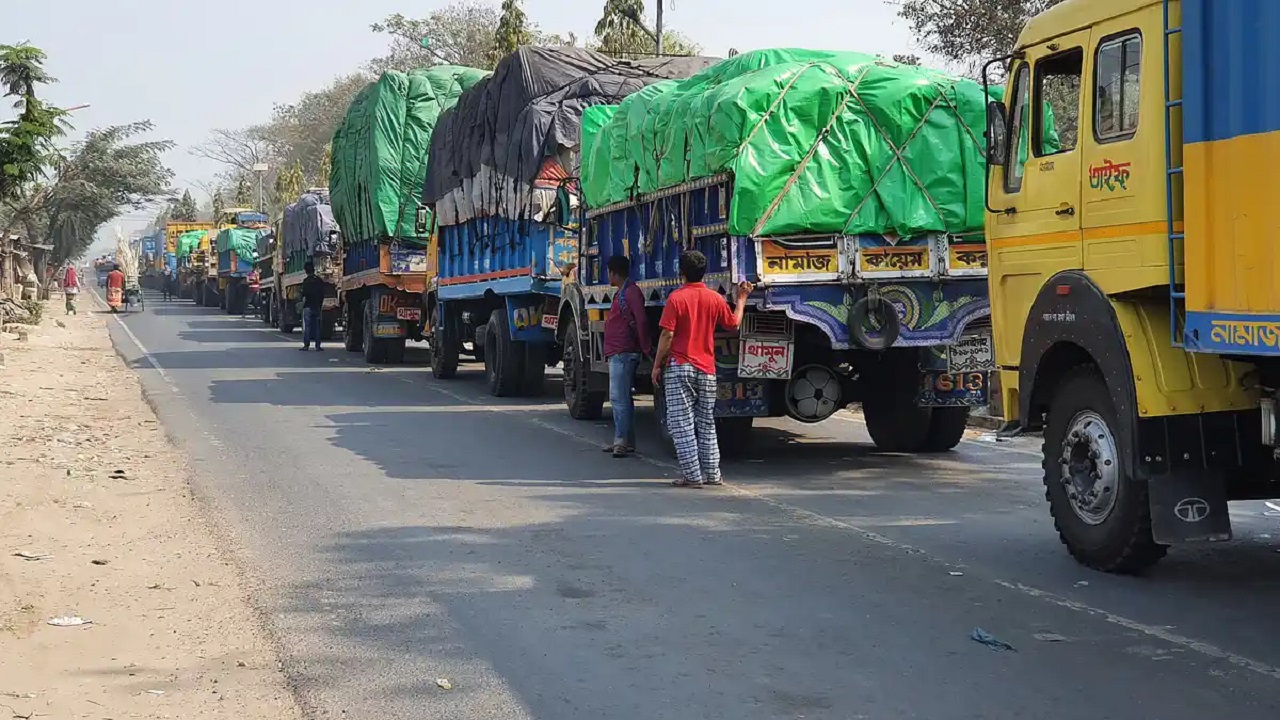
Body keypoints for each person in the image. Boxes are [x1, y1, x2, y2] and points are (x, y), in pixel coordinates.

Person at [651, 251, 752, 488]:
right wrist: (742, 298)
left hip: (680, 367)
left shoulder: (676, 298)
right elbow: (734, 324)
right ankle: (713, 474)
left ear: (681, 272)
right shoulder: (714, 298)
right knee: (706, 422)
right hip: (707, 369)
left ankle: (692, 476)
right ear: (704, 272)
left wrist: (656, 365)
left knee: (681, 423)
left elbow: (667, 334)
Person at [601, 255, 651, 458]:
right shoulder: (625, 292)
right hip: (620, 352)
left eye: (609, 272)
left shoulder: (630, 293)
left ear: (614, 273)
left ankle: (620, 442)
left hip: (623, 353)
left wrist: (646, 347)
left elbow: (641, 321)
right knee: (624, 399)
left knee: (618, 398)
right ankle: (627, 441)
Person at [299, 262, 325, 351]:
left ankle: (306, 345)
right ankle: (318, 346)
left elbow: (303, 294)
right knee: (317, 327)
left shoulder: (306, 281)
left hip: (308, 307)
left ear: (306, 271)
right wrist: (320, 304)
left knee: (307, 327)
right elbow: (322, 294)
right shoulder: (319, 281)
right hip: (316, 306)